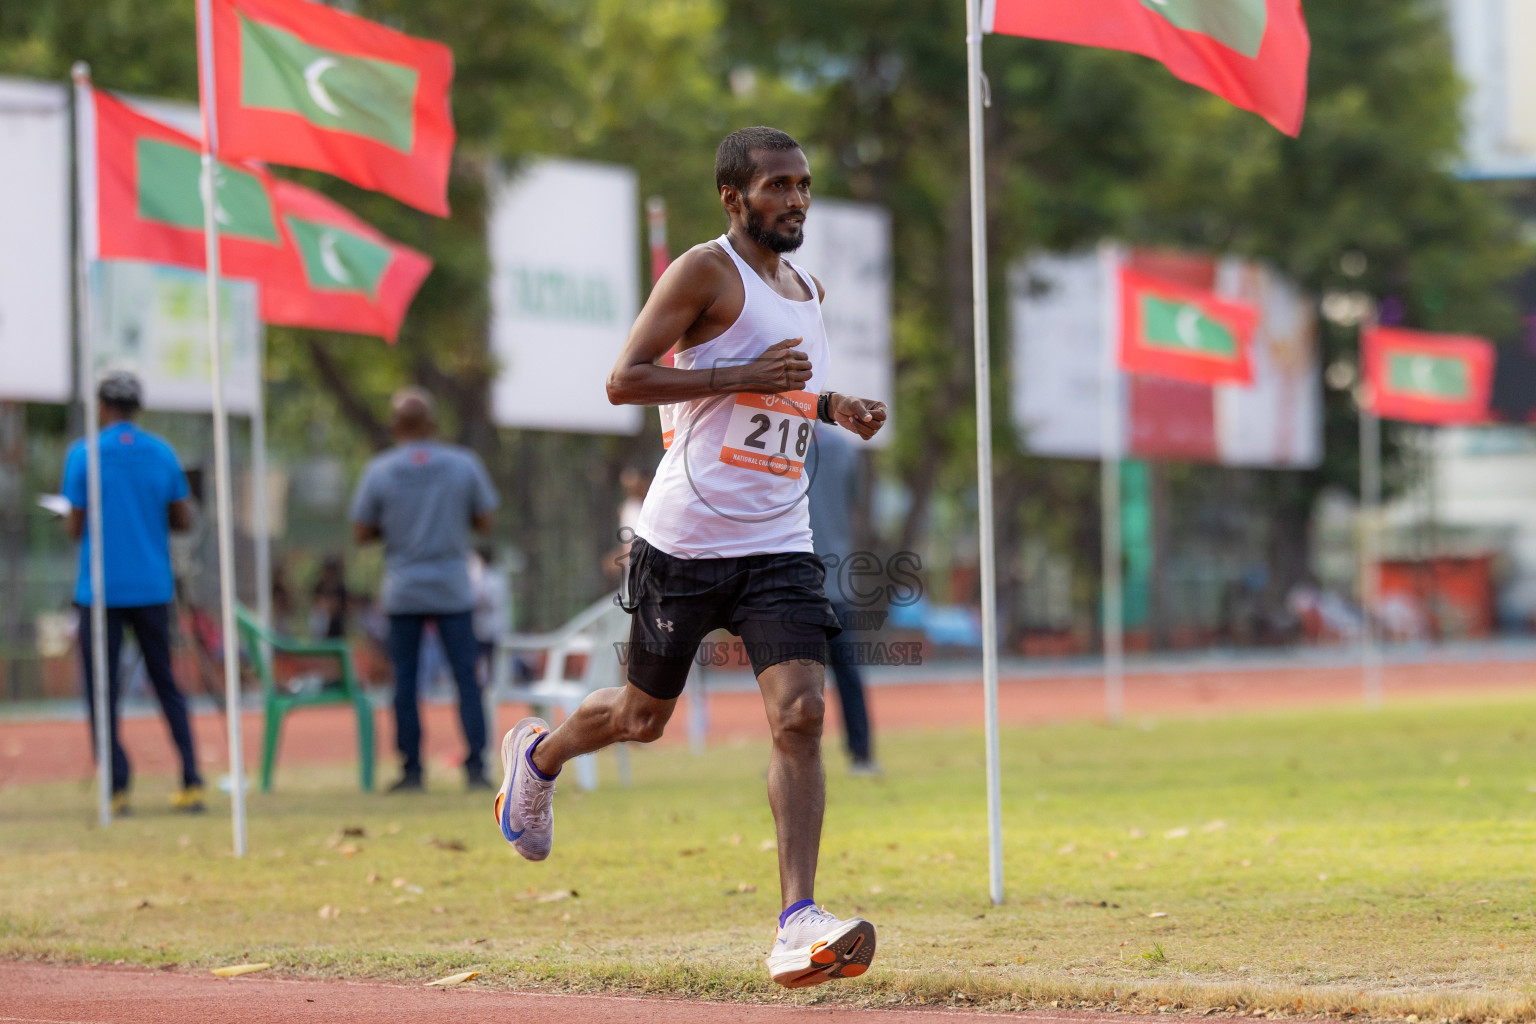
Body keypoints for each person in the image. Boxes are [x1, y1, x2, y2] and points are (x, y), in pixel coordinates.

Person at [491, 126, 888, 989]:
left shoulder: (807, 287)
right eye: (779, 186)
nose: (797, 201)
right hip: (687, 540)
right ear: (733, 197)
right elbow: (625, 378)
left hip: (779, 540)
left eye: (805, 185)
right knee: (642, 718)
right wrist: (735, 374)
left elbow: (780, 385)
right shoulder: (704, 272)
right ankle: (539, 758)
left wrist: (832, 405)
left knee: (802, 716)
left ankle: (796, 920)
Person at [62, 370, 204, 815]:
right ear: (138, 409)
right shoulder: (161, 453)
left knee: (102, 690)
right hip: (152, 586)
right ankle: (191, 779)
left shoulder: (84, 453)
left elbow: (74, 526)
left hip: (99, 591)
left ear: (102, 407)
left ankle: (118, 788)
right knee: (166, 683)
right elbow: (183, 521)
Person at [350, 388, 499, 792]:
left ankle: (412, 770)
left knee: (406, 681)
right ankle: (476, 768)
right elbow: (485, 521)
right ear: (433, 424)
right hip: (453, 587)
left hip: (404, 589)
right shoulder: (463, 464)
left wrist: (397, 525)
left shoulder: (380, 470)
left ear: (394, 426)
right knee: (467, 679)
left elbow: (362, 530)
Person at [806, 422, 879, 776]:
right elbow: (854, 506)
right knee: (846, 671)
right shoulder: (843, 448)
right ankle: (862, 755)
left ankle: (794, 754)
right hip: (834, 577)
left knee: (793, 675)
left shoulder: (778, 442)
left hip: (796, 579)